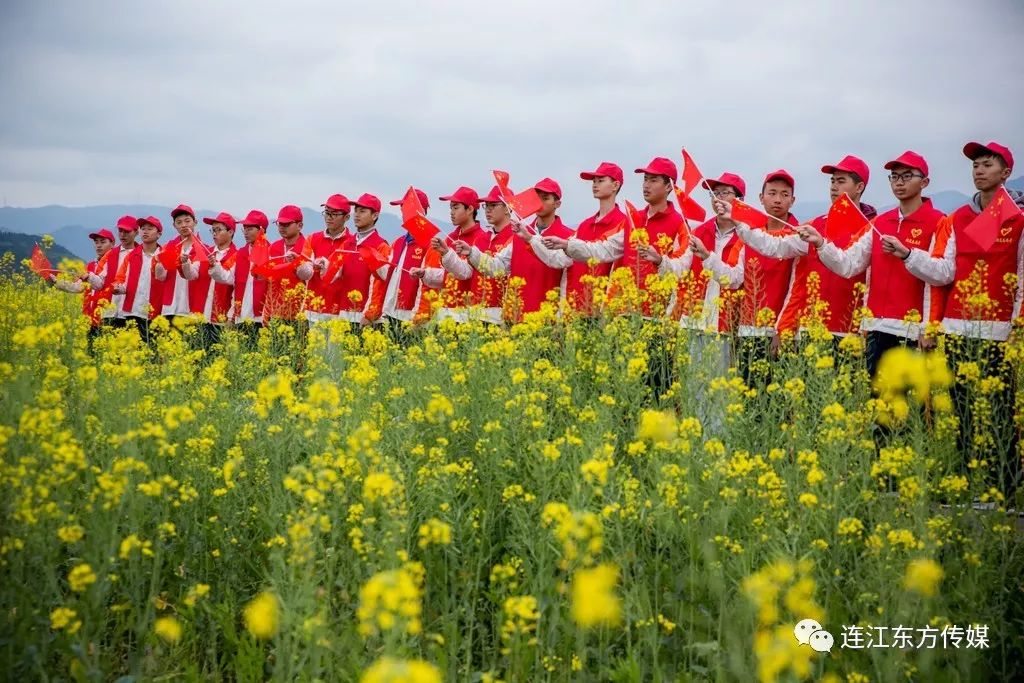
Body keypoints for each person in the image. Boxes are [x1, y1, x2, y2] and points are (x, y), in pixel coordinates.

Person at [794, 151, 948, 377]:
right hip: (876, 327)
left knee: (912, 406)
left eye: (907, 176)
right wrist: (821, 243)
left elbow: (943, 273)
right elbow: (849, 264)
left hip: (912, 330)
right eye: (894, 177)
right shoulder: (880, 223)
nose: (899, 182)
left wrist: (908, 255)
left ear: (924, 182)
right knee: (878, 403)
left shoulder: (939, 221)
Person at [734, 155, 876, 348]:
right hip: (808, 330)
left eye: (841, 181)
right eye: (832, 181)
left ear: (859, 187)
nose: (834, 187)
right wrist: (737, 220)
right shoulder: (815, 225)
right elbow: (775, 246)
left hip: (850, 333)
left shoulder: (873, 228)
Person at [543, 157, 688, 318]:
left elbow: (683, 269)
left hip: (658, 317)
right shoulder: (633, 220)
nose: (646, 185)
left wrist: (660, 260)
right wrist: (566, 245)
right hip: (625, 314)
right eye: (645, 180)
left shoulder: (680, 224)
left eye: (653, 180)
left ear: (669, 186)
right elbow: (604, 249)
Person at [461, 178, 574, 321]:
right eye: (537, 198)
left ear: (557, 204)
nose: (540, 202)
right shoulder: (520, 235)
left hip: (547, 319)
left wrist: (562, 318)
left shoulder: (568, 237)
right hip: (515, 316)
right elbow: (498, 267)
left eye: (545, 198)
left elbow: (567, 281)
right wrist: (471, 253)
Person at [527, 162, 626, 315]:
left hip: (601, 314)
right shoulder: (585, 225)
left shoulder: (624, 224)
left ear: (615, 185)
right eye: (594, 181)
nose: (595, 185)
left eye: (600, 180)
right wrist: (530, 238)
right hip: (571, 309)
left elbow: (601, 252)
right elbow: (560, 259)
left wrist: (567, 245)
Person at [412, 186, 490, 323]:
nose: (451, 212)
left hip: (467, 314)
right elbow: (446, 276)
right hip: (446, 312)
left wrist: (447, 253)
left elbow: (466, 273)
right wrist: (425, 274)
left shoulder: (481, 239)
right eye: (450, 208)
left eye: (455, 208)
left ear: (470, 209)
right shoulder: (450, 238)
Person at [448, 185, 515, 324]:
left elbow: (499, 268)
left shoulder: (516, 238)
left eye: (494, 205)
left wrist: (472, 253)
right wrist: (445, 254)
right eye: (486, 205)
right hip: (474, 312)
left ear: (508, 208)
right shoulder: (482, 239)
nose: (488, 209)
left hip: (500, 314)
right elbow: (466, 273)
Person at [324, 193, 391, 326]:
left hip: (366, 318)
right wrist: (322, 264)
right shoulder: (348, 243)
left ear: (375, 215)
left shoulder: (381, 246)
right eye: (356, 211)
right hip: (344, 315)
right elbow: (333, 273)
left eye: (362, 211)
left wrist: (370, 315)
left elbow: (381, 285)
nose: (357, 215)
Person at [48, 228, 116, 351]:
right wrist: (56, 282)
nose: (99, 245)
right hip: (89, 317)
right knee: (91, 354)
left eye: (103, 242)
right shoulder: (90, 265)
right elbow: (78, 287)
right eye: (96, 242)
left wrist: (88, 276)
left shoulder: (115, 263)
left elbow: (102, 284)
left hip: (106, 318)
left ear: (112, 243)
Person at [380, 189, 435, 333]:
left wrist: (420, 317)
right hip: (393, 312)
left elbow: (430, 285)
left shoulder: (430, 244)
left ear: (418, 211)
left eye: (404, 207)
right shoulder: (399, 242)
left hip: (412, 318)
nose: (402, 212)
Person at [187, 211, 238, 349]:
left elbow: (230, 282)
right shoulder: (204, 251)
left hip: (220, 317)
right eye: (213, 230)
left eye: (219, 230)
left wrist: (231, 317)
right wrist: (184, 263)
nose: (214, 233)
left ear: (231, 232)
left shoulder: (237, 256)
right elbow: (192, 274)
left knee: (216, 357)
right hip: (199, 314)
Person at [219, 210, 270, 347]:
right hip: (242, 316)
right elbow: (226, 277)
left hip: (263, 318)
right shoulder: (239, 253)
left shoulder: (272, 252)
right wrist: (214, 266)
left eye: (250, 228)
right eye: (244, 229)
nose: (245, 232)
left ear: (262, 230)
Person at [112, 216, 165, 343]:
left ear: (159, 234)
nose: (145, 231)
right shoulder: (131, 256)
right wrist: (118, 288)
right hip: (132, 311)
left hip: (155, 312)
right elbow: (120, 279)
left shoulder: (164, 255)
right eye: (143, 228)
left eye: (150, 229)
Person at [301, 194, 352, 324]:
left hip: (340, 311)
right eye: (327, 213)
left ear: (346, 217)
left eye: (334, 214)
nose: (329, 218)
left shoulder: (352, 243)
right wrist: (308, 266)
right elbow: (303, 274)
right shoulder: (312, 239)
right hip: (314, 309)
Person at [156, 204, 208, 324]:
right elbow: (161, 277)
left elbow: (197, 276)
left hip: (193, 308)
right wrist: (159, 263)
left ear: (195, 222)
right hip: (171, 306)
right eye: (179, 222)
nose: (183, 225)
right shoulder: (168, 247)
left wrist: (186, 263)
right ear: (174, 226)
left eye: (187, 221)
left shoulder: (204, 249)